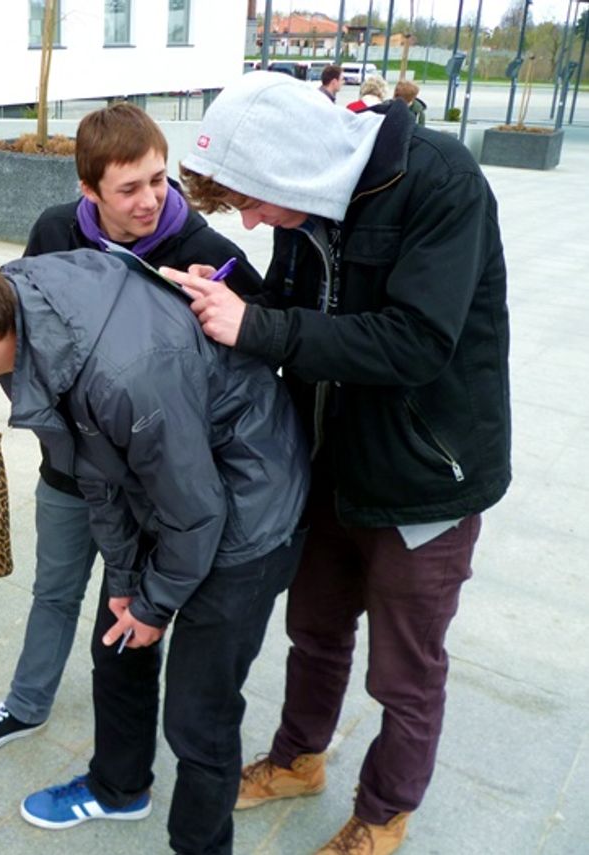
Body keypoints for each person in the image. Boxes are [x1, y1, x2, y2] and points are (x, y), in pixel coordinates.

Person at [0, 232, 310, 855]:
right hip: (173, 487)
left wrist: (156, 606)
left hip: (248, 510)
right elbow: (94, 471)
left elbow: (198, 511)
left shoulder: (123, 375)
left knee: (198, 716)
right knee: (118, 641)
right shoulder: (10, 314)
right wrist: (131, 584)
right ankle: (119, 788)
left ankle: (200, 846)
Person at [167, 70, 510, 854]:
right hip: (330, 465)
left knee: (405, 673)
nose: (250, 219)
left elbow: (417, 341)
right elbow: (293, 309)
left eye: (252, 199)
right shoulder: (308, 200)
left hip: (427, 477)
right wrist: (219, 297)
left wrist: (258, 327)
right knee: (315, 632)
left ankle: (384, 813)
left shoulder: (440, 180)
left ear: (292, 166)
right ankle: (298, 759)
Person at [0, 101, 263, 756]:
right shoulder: (56, 228)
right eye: (129, 188)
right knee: (54, 590)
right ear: (88, 191)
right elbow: (18, 326)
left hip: (156, 480)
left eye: (157, 179)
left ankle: (124, 758)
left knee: (133, 617)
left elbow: (259, 357)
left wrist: (211, 311)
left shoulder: (207, 249)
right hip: (70, 469)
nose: (151, 200)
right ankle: (26, 703)